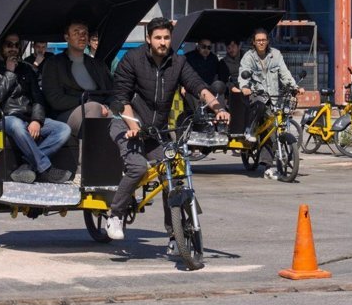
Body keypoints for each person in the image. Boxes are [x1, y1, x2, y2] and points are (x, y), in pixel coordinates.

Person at [107, 17, 230, 241]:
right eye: (158, 38)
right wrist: (134, 127)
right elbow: (122, 96)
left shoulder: (178, 62)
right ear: (148, 39)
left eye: (166, 37)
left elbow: (197, 86)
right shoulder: (133, 59)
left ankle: (175, 232)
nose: (163, 42)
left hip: (155, 131)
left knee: (172, 169)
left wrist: (217, 107)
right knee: (137, 167)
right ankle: (115, 214)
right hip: (127, 123)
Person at [0, 33, 72, 184]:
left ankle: (28, 166)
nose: (14, 49)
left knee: (63, 129)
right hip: (6, 118)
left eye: (17, 45)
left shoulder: (26, 68)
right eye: (9, 45)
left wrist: (37, 120)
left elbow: (38, 98)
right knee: (17, 125)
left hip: (28, 117)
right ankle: (46, 169)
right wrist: (9, 73)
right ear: (0, 47)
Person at [238, 28, 304, 178]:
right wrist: (244, 87)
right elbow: (244, 73)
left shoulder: (276, 55)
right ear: (254, 42)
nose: (261, 42)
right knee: (260, 107)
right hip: (257, 94)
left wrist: (294, 87)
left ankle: (269, 165)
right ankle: (250, 129)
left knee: (273, 128)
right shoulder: (248, 57)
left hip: (274, 96)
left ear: (267, 41)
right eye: (258, 40)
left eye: (264, 40)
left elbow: (284, 73)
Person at [43, 19, 113, 139]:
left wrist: (107, 105)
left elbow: (112, 90)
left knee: (122, 117)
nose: (82, 36)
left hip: (100, 108)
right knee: (94, 108)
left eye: (85, 33)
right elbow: (55, 99)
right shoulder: (53, 64)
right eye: (76, 33)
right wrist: (87, 102)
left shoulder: (98, 65)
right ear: (67, 37)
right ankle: (89, 155)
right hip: (66, 113)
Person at [183, 38, 228, 115]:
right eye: (204, 46)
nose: (206, 49)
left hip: (210, 88)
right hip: (193, 89)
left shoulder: (213, 58)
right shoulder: (189, 57)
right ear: (198, 46)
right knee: (196, 114)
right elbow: (183, 73)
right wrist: (182, 86)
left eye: (209, 47)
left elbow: (219, 75)